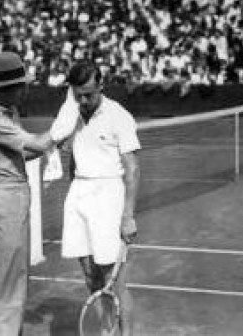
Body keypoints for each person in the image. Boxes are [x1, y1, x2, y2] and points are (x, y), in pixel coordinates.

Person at [0, 51, 77, 336]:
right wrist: (65, 122)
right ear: (3, 89)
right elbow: (38, 144)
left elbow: (25, 153)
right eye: (20, 86)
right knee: (7, 288)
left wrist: (52, 144)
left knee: (14, 283)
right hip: (3, 202)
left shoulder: (7, 114)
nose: (24, 90)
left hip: (13, 201)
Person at [57, 61, 140, 335]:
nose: (83, 100)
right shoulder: (72, 116)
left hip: (110, 199)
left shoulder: (120, 116)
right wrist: (75, 195)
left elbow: (132, 169)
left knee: (115, 283)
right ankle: (105, 331)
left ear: (101, 86)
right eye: (77, 94)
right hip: (79, 195)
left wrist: (127, 216)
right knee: (90, 278)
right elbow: (72, 162)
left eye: (89, 94)